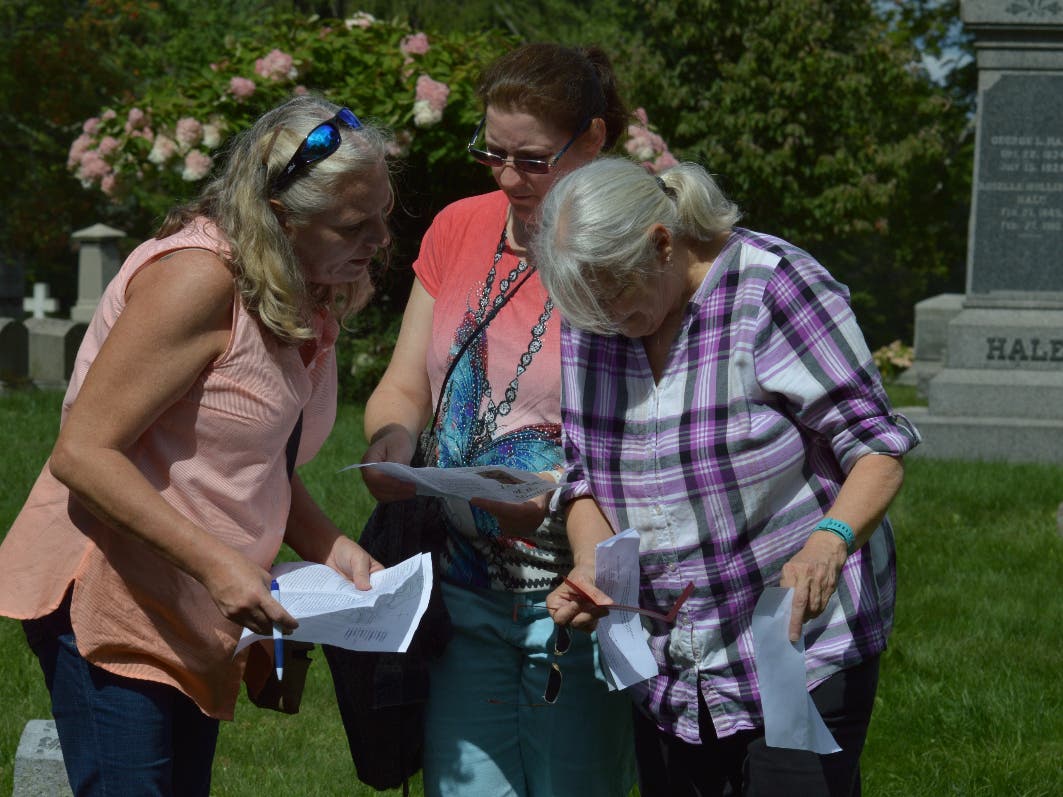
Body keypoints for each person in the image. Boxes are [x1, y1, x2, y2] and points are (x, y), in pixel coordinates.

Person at [0, 94, 393, 795]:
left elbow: (256, 458)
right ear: (281, 217)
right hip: (114, 591)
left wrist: (329, 544)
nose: (380, 239)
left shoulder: (301, 288)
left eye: (383, 215)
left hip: (192, 599)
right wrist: (219, 567)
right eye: (353, 224)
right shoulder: (199, 279)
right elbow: (83, 453)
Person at [538, 157, 921, 797]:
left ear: (662, 244)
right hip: (668, 665)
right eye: (587, 309)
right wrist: (590, 562)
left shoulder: (773, 286)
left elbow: (876, 446)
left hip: (794, 645)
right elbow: (582, 473)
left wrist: (829, 542)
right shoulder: (594, 318)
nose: (603, 322)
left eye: (613, 299)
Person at [360, 44, 636, 797]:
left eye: (533, 160)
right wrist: (392, 446)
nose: (508, 178)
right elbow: (404, 383)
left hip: (576, 596)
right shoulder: (458, 227)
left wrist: (553, 494)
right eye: (492, 152)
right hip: (463, 587)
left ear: (593, 139)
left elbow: (649, 431)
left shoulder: (623, 248)